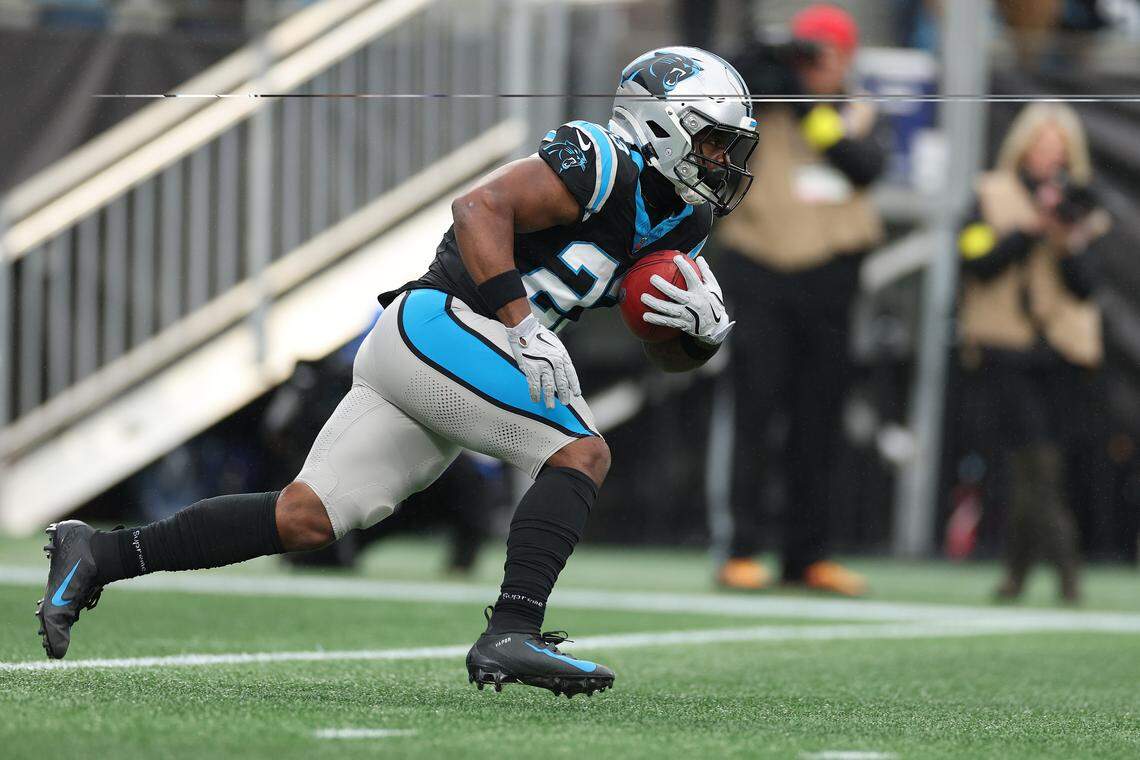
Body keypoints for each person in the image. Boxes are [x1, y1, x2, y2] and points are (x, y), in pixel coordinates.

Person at [34, 46, 759, 698]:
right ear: (660, 123)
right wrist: (522, 322)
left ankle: (100, 552)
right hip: (443, 324)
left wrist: (699, 337)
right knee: (580, 451)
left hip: (459, 350)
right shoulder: (602, 159)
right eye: (714, 139)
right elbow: (479, 208)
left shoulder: (684, 223)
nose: (722, 160)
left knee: (307, 515)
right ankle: (512, 631)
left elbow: (663, 350)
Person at [713, 4, 888, 596]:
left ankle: (807, 554)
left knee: (820, 423)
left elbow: (863, 166)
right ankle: (741, 548)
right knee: (755, 413)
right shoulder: (760, 106)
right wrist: (766, 67)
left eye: (824, 54)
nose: (813, 65)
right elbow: (718, 110)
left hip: (831, 281)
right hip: (760, 271)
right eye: (806, 52)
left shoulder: (855, 110)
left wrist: (811, 107)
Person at [956, 103, 1110, 604]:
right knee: (1036, 463)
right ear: (1022, 146)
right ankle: (1068, 571)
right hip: (1006, 344)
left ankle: (1014, 578)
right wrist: (1030, 231)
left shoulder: (1083, 203)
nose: (1050, 155)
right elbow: (976, 261)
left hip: (1061, 348)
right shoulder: (989, 193)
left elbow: (1086, 288)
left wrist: (1069, 238)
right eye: (1042, 144)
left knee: (1036, 465)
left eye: (1059, 147)